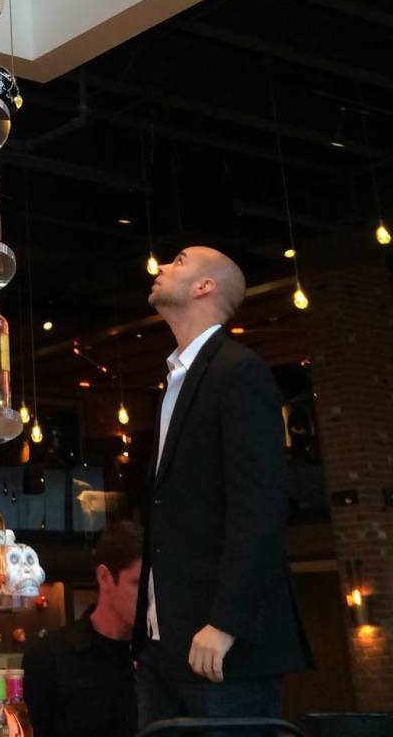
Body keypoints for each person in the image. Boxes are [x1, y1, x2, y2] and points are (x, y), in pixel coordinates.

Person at [134, 246, 313, 731]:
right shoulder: (174, 379)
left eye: (179, 261)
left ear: (204, 286)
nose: (162, 267)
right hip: (164, 645)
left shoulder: (239, 370)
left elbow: (260, 507)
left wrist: (225, 622)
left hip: (220, 646)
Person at [23, 521, 141, 737]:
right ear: (105, 578)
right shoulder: (49, 657)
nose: (150, 597)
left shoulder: (159, 656)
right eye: (138, 584)